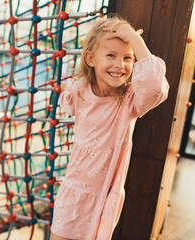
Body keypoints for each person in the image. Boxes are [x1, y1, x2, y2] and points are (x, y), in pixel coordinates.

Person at [50, 16, 169, 240]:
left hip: (105, 197)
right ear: (91, 58)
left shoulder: (130, 100)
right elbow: (66, 92)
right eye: (111, 55)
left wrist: (133, 37)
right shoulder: (80, 91)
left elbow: (154, 87)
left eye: (128, 58)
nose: (119, 65)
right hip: (73, 191)